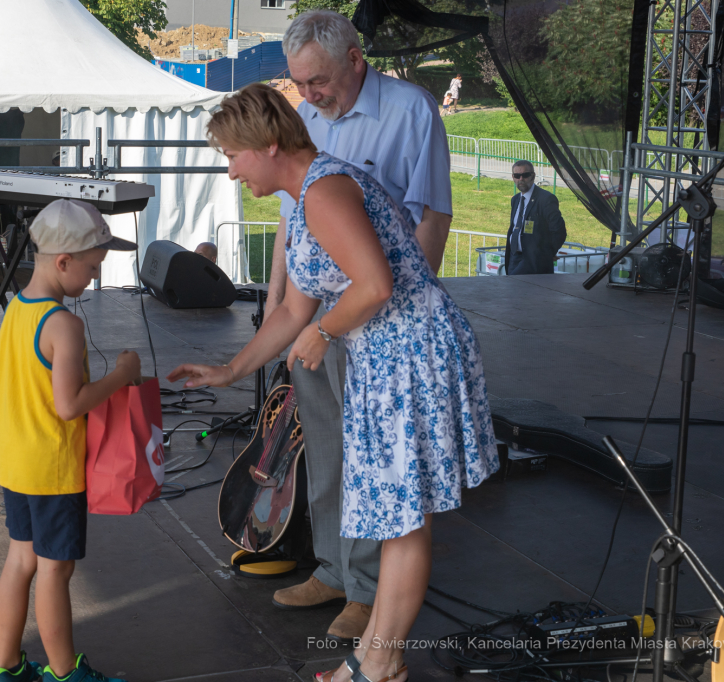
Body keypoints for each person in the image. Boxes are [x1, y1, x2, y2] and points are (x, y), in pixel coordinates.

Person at [168, 84, 498, 682]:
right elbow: (294, 311)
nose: (231, 168)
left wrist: (325, 332)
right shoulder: (304, 197)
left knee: (402, 517)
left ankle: (382, 662)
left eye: (233, 154)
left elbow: (374, 286)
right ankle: (375, 657)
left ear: (269, 145)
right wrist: (231, 370)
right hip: (385, 356)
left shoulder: (325, 191)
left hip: (409, 353)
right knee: (395, 515)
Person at [265, 9, 453, 642]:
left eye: (317, 80)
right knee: (325, 442)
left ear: (354, 58)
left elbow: (432, 215)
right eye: (300, 84)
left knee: (374, 458)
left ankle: (370, 594)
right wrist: (276, 306)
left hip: (379, 314)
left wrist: (402, 314)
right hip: (318, 308)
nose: (310, 95)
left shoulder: (410, 109)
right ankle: (335, 569)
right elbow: (292, 222)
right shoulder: (305, 118)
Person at [0, 198, 141, 682]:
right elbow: (70, 405)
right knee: (56, 570)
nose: (94, 278)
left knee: (20, 561)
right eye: (93, 267)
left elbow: (1, 387)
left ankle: (8, 666)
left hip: (14, 463)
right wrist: (122, 374)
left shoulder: (15, 310)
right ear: (63, 262)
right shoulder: (65, 325)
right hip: (53, 470)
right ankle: (64, 674)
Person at [504, 160, 566, 275]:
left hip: (534, 261)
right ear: (513, 177)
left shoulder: (546, 199)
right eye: (517, 176)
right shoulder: (515, 199)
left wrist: (548, 254)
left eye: (525, 175)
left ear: (533, 176)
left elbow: (559, 230)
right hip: (514, 258)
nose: (521, 179)